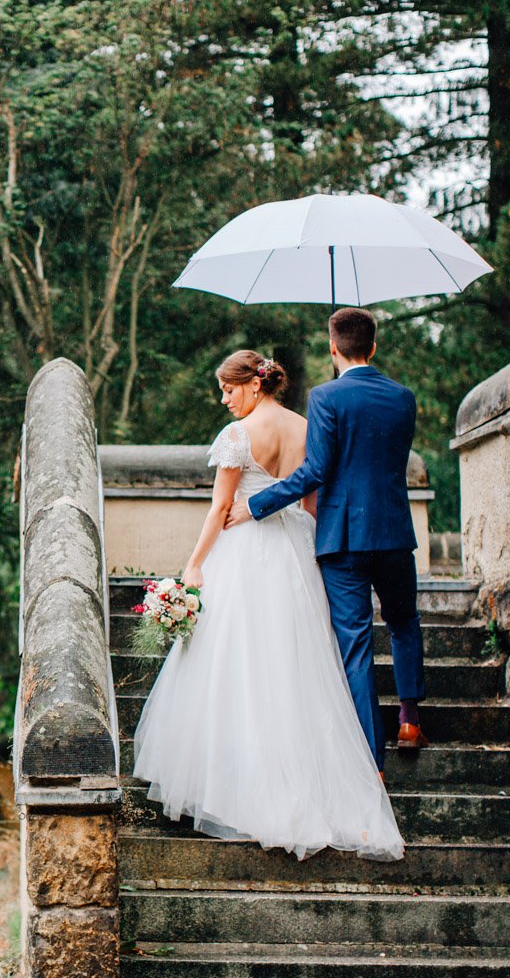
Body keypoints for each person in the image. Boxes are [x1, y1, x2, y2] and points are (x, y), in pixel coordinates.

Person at [131, 348, 404, 862]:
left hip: (248, 551)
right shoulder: (305, 426)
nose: (225, 399)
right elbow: (310, 500)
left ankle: (247, 793)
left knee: (244, 666)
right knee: (294, 668)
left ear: (255, 386)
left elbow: (219, 509)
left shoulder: (237, 436)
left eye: (230, 389)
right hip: (297, 550)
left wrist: (193, 565)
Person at [226, 307, 429, 767]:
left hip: (342, 539)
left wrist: (257, 505)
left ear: (333, 348)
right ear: (373, 347)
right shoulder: (404, 397)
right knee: (403, 622)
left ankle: (370, 758)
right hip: (394, 532)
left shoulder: (325, 398)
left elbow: (317, 470)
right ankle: (410, 719)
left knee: (355, 645)